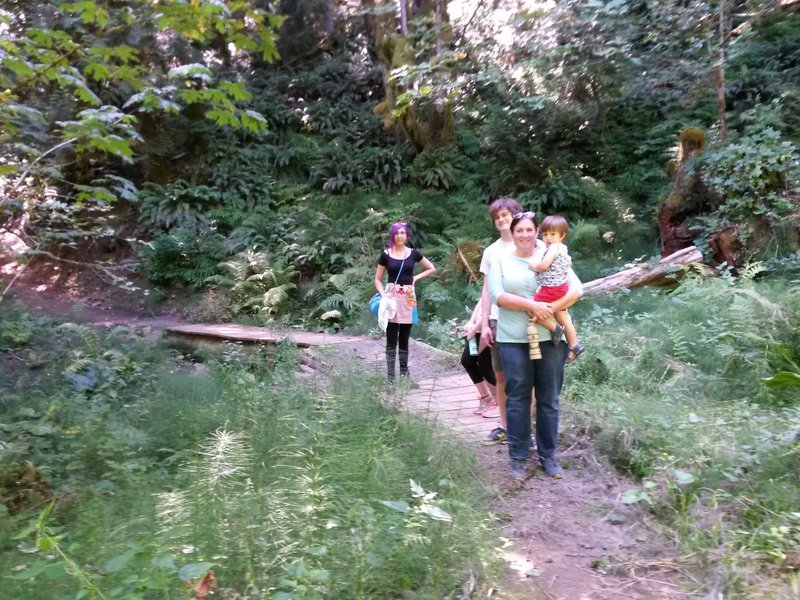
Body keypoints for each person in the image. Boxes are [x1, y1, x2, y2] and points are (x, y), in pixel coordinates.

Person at [478, 199, 581, 445]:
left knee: (545, 394)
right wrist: (482, 323)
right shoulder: (496, 255)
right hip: (508, 329)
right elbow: (492, 293)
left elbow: (575, 288)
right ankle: (514, 441)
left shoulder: (549, 251)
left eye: (528, 229)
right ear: (511, 232)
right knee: (512, 386)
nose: (523, 233)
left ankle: (542, 446)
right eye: (518, 229)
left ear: (535, 231)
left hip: (546, 332)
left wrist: (548, 309)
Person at [374, 221, 436, 383]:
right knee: (391, 340)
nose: (399, 236)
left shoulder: (414, 253)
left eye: (402, 233)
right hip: (391, 299)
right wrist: (383, 295)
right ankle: (390, 379)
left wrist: (415, 277)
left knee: (404, 340)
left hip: (408, 298)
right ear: (392, 236)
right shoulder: (386, 254)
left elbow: (431, 268)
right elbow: (378, 279)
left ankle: (405, 377)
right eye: (396, 233)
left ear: (407, 236)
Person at [527, 215, 584, 364]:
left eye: (553, 234)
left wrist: (533, 266)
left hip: (551, 290)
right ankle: (574, 344)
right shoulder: (563, 249)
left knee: (530, 309)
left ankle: (555, 329)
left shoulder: (553, 248)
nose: (548, 238)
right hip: (561, 288)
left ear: (562, 235)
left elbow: (544, 266)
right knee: (562, 316)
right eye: (545, 234)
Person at [458, 299, 497, 415]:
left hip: (486, 331)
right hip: (476, 331)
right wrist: (471, 321)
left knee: (485, 367)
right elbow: (481, 303)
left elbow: (489, 313)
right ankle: (486, 396)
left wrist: (474, 329)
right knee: (468, 361)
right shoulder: (488, 284)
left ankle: (500, 402)